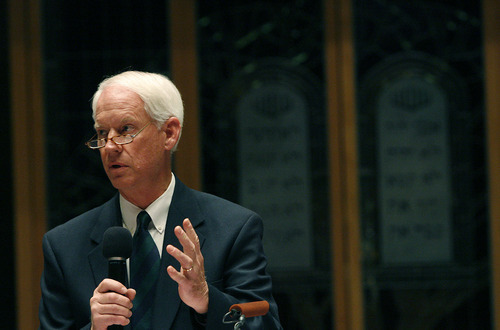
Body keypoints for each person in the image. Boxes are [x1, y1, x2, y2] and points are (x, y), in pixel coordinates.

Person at [39, 71, 282, 329]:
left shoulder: (233, 228)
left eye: (125, 130)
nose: (109, 146)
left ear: (169, 133)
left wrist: (207, 300)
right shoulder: (64, 246)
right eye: (102, 132)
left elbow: (264, 324)